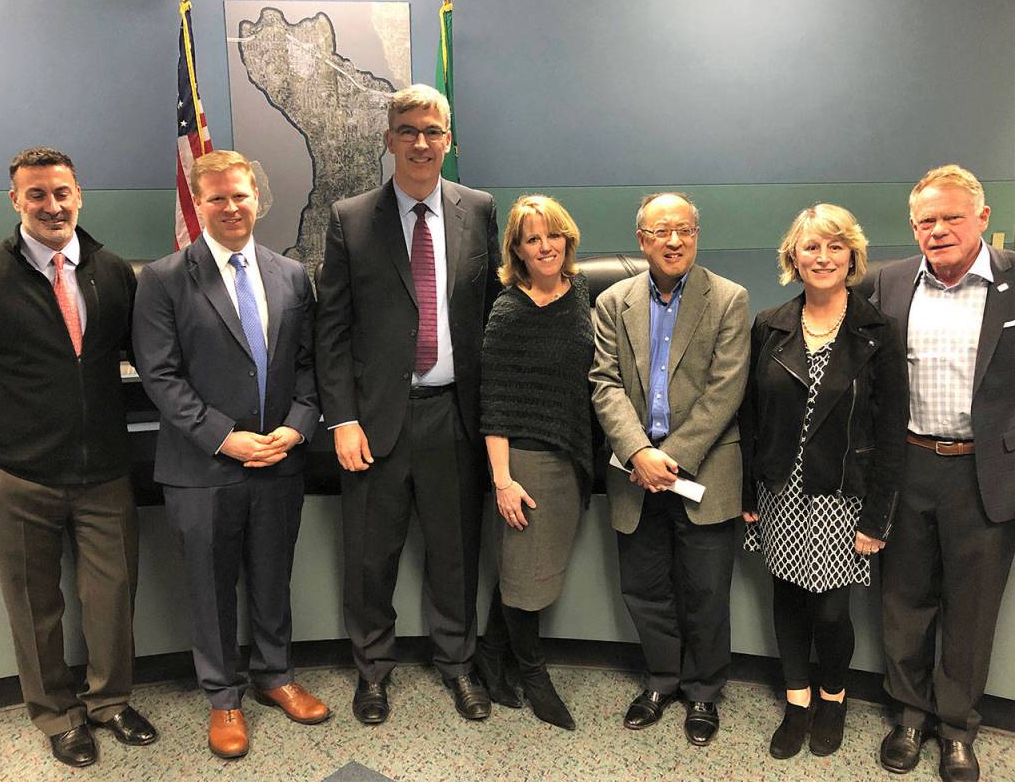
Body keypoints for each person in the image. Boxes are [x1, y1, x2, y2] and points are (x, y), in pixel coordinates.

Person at [315, 83, 501, 724]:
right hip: (372, 422)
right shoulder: (349, 217)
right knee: (371, 556)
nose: (422, 143)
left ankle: (458, 664)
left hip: (455, 415)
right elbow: (331, 329)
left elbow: (490, 315)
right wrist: (340, 417)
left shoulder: (478, 209)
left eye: (434, 131)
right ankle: (373, 671)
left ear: (448, 140)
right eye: (409, 131)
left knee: (456, 551)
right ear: (389, 140)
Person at [132, 150, 326, 759]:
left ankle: (275, 676)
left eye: (240, 195)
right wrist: (223, 435)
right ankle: (223, 698)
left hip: (279, 459)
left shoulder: (290, 275)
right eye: (216, 197)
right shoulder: (164, 278)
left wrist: (297, 427)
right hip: (203, 467)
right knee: (210, 587)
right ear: (199, 203)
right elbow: (159, 375)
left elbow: (306, 363)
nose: (231, 206)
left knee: (273, 574)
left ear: (256, 199)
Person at [0, 147, 156, 768]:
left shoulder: (111, 271)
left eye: (61, 192)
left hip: (105, 472)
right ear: (16, 202)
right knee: (35, 607)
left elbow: (147, 357)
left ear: (79, 195)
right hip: (20, 474)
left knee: (112, 597)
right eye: (37, 195)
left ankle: (110, 702)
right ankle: (57, 716)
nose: (52, 205)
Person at [739, 204, 908, 759]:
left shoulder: (878, 331)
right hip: (781, 490)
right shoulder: (770, 324)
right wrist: (749, 494)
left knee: (832, 610)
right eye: (811, 247)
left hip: (844, 494)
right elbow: (751, 416)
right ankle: (797, 701)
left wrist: (878, 515)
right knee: (786, 599)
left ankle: (833, 700)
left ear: (853, 256)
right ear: (794, 257)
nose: (823, 257)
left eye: (835, 246)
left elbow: (889, 431)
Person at [872, 164, 1015, 782]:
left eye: (952, 216)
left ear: (983, 218)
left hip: (985, 475)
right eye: (926, 220)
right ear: (913, 226)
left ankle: (957, 727)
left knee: (972, 609)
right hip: (907, 466)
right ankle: (908, 714)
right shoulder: (889, 282)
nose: (939, 229)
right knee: (905, 600)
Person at [590, 192, 749, 745]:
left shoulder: (728, 298)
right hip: (633, 471)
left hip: (704, 471)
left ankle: (703, 693)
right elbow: (604, 384)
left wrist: (670, 457)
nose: (674, 241)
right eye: (661, 231)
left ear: (696, 234)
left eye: (683, 230)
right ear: (643, 239)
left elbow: (725, 391)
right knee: (645, 587)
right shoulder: (612, 301)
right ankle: (661, 678)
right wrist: (639, 452)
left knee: (706, 590)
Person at [476, 195, 594, 731]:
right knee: (526, 578)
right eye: (531, 239)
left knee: (532, 571)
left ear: (567, 240)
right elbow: (494, 403)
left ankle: (489, 655)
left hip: (570, 456)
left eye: (552, 235)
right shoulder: (508, 310)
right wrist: (502, 480)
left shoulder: (583, 297)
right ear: (517, 251)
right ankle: (533, 673)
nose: (544, 246)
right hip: (522, 460)